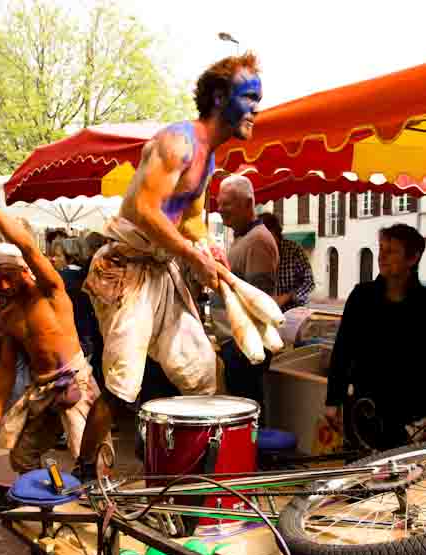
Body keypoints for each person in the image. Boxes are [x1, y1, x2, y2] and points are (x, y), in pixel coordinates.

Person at [78, 52, 263, 472]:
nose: (257, 108)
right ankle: (84, 469)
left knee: (203, 374)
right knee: (123, 385)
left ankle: (183, 464)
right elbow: (144, 208)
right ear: (219, 97)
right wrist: (192, 256)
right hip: (125, 269)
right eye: (249, 97)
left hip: (161, 270)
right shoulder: (177, 142)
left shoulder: (208, 157)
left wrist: (208, 246)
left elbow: (192, 218)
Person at [0, 184, 100, 474]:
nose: (2, 285)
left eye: (9, 276)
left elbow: (26, 246)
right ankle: (52, 504)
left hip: (75, 382)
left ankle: (99, 513)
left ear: (25, 270)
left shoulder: (50, 290)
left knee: (92, 462)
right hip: (42, 390)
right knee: (22, 459)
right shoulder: (7, 314)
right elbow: (6, 367)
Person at [325, 223, 426, 450]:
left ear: (413, 258)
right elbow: (343, 350)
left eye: (391, 251)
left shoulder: (424, 304)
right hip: (364, 407)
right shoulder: (362, 296)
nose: (382, 257)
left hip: (411, 416)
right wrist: (333, 399)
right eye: (381, 249)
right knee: (360, 473)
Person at [211, 175, 279, 420]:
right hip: (235, 343)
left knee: (246, 412)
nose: (220, 210)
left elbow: (258, 300)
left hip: (244, 346)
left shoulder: (258, 241)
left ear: (248, 204)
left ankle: (251, 457)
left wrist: (243, 348)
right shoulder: (243, 238)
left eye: (226, 204)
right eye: (219, 204)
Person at [262, 212, 315, 311]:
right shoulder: (255, 251)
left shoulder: (293, 250)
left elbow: (309, 282)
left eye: (270, 239)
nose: (267, 245)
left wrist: (288, 297)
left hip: (291, 313)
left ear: (277, 234)